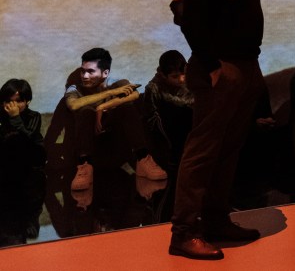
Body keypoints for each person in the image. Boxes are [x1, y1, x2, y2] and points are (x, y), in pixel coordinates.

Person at [169, 0, 267, 260]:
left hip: (244, 64)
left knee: (227, 149)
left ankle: (215, 219)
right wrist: (211, 66)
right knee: (204, 150)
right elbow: (193, 21)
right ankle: (184, 231)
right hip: (221, 67)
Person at [64, 48, 166, 191]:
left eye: (90, 71)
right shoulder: (74, 88)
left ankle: (143, 159)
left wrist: (102, 107)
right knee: (85, 111)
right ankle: (84, 166)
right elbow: (73, 105)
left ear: (105, 73)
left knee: (126, 108)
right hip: (93, 153)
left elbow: (135, 94)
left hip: (119, 149)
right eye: (83, 71)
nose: (84, 76)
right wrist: (111, 93)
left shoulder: (116, 82)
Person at [142, 50, 194, 171]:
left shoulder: (191, 79)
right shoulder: (154, 88)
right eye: (175, 76)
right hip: (169, 135)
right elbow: (150, 119)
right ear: (163, 75)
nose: (181, 79)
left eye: (183, 74)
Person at [1, 79, 45, 171]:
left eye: (18, 101)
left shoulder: (33, 116)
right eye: (8, 101)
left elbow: (28, 138)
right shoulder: (2, 114)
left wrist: (15, 117)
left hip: (30, 161)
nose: (13, 105)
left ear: (27, 101)